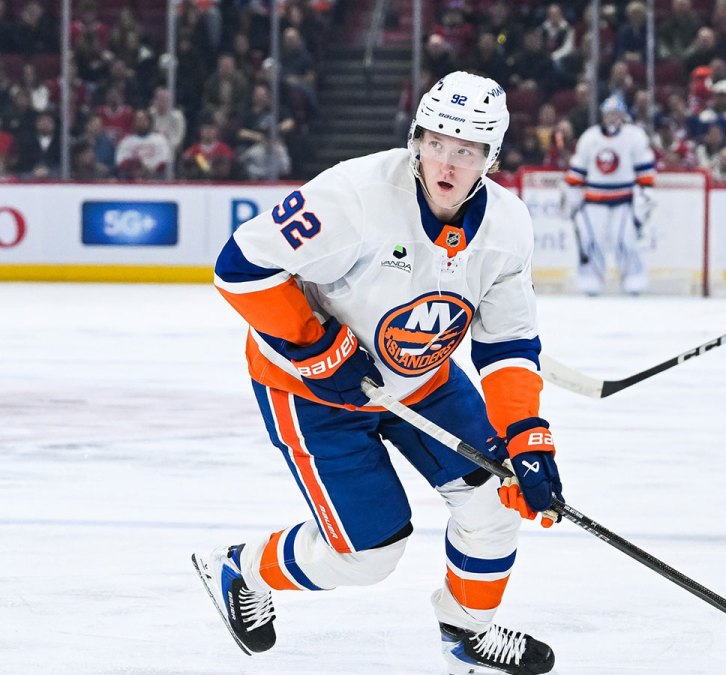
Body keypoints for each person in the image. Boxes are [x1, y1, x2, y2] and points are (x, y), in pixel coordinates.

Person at [193, 71, 563, 675]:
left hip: (424, 380)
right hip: (312, 393)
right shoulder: (355, 196)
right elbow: (240, 266)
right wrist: (319, 347)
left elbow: (508, 344)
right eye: (437, 141)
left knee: (496, 501)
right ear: (416, 137)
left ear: (490, 158)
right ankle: (243, 566)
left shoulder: (507, 227)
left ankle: (467, 633)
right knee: (369, 556)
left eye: (467, 150)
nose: (447, 161)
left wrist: (527, 435)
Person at [564, 95, 656, 295]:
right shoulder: (590, 137)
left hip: (624, 199)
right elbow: (578, 169)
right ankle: (590, 280)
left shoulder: (635, 136)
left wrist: (644, 196)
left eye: (616, 113)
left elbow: (645, 170)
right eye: (609, 113)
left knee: (624, 239)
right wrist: (572, 196)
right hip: (594, 198)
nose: (612, 117)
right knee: (591, 240)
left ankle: (634, 279)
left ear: (623, 115)